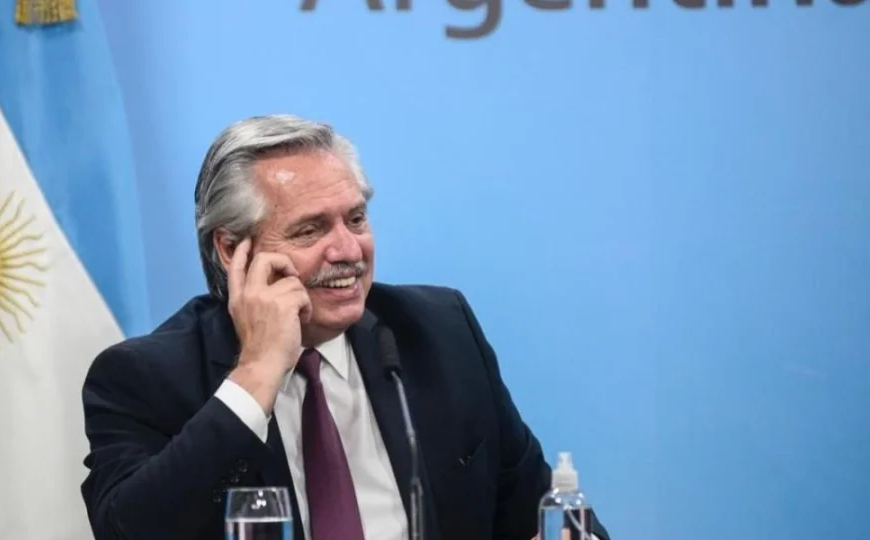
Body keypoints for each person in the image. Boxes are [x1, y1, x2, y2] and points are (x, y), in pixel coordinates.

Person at [79, 114, 611, 540]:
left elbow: (549, 514)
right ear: (231, 248)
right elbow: (129, 531)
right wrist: (257, 373)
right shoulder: (146, 378)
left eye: (355, 219)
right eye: (310, 230)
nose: (348, 250)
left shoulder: (439, 334)